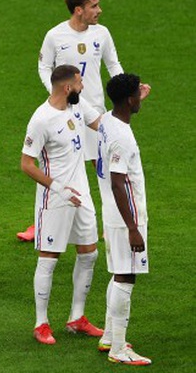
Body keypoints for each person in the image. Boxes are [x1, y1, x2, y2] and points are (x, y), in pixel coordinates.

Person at [18, 0, 124, 242]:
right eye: (94, 6)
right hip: (65, 113)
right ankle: (42, 222)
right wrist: (57, 92)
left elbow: (113, 64)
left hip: (94, 113)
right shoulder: (55, 35)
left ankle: (113, 224)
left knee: (104, 169)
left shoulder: (102, 33)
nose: (99, 10)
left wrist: (125, 92)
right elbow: (44, 67)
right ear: (79, 10)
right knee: (56, 166)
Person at [20, 65, 104, 345]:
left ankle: (76, 318)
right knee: (49, 259)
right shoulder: (41, 119)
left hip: (82, 195)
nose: (82, 87)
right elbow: (26, 164)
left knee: (89, 253)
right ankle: (41, 323)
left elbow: (103, 124)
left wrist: (133, 101)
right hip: (55, 198)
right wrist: (57, 187)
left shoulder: (77, 107)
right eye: (79, 83)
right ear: (67, 87)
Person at [96, 73, 152, 365]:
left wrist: (134, 98)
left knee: (118, 272)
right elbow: (119, 182)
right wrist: (133, 228)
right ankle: (119, 349)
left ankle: (108, 336)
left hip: (111, 212)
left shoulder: (108, 119)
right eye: (136, 95)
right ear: (129, 100)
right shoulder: (122, 138)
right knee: (125, 277)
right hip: (125, 217)